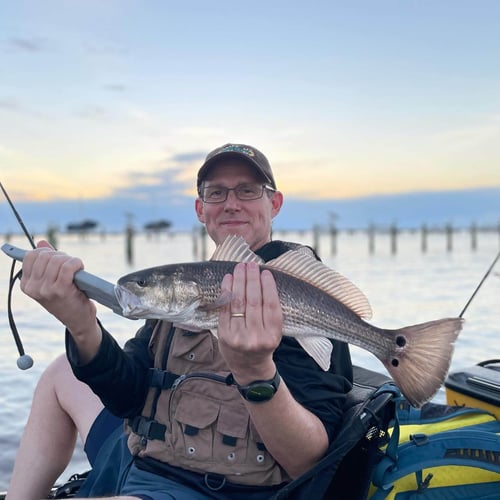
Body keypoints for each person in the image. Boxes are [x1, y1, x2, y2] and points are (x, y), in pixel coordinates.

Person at [7, 143, 353, 499]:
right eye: (216, 193)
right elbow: (129, 397)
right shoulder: (185, 291)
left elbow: (307, 462)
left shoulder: (302, 297)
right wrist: (81, 325)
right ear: (201, 209)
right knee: (62, 371)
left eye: (247, 190)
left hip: (206, 487)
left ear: (274, 203)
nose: (231, 203)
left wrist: (255, 372)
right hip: (141, 454)